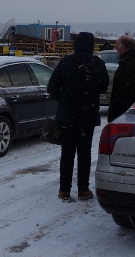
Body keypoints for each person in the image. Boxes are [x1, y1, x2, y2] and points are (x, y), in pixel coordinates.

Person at [47, 31, 109, 203]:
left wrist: (64, 100)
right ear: (91, 46)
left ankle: (64, 190)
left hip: (67, 116)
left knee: (67, 154)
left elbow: (52, 87)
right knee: (84, 154)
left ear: (76, 45)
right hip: (88, 116)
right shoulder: (97, 63)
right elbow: (104, 87)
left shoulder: (66, 62)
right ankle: (83, 189)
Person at [107, 35, 135, 122]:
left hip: (126, 115)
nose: (116, 50)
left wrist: (114, 113)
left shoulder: (127, 66)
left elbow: (123, 93)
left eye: (117, 47)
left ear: (123, 47)